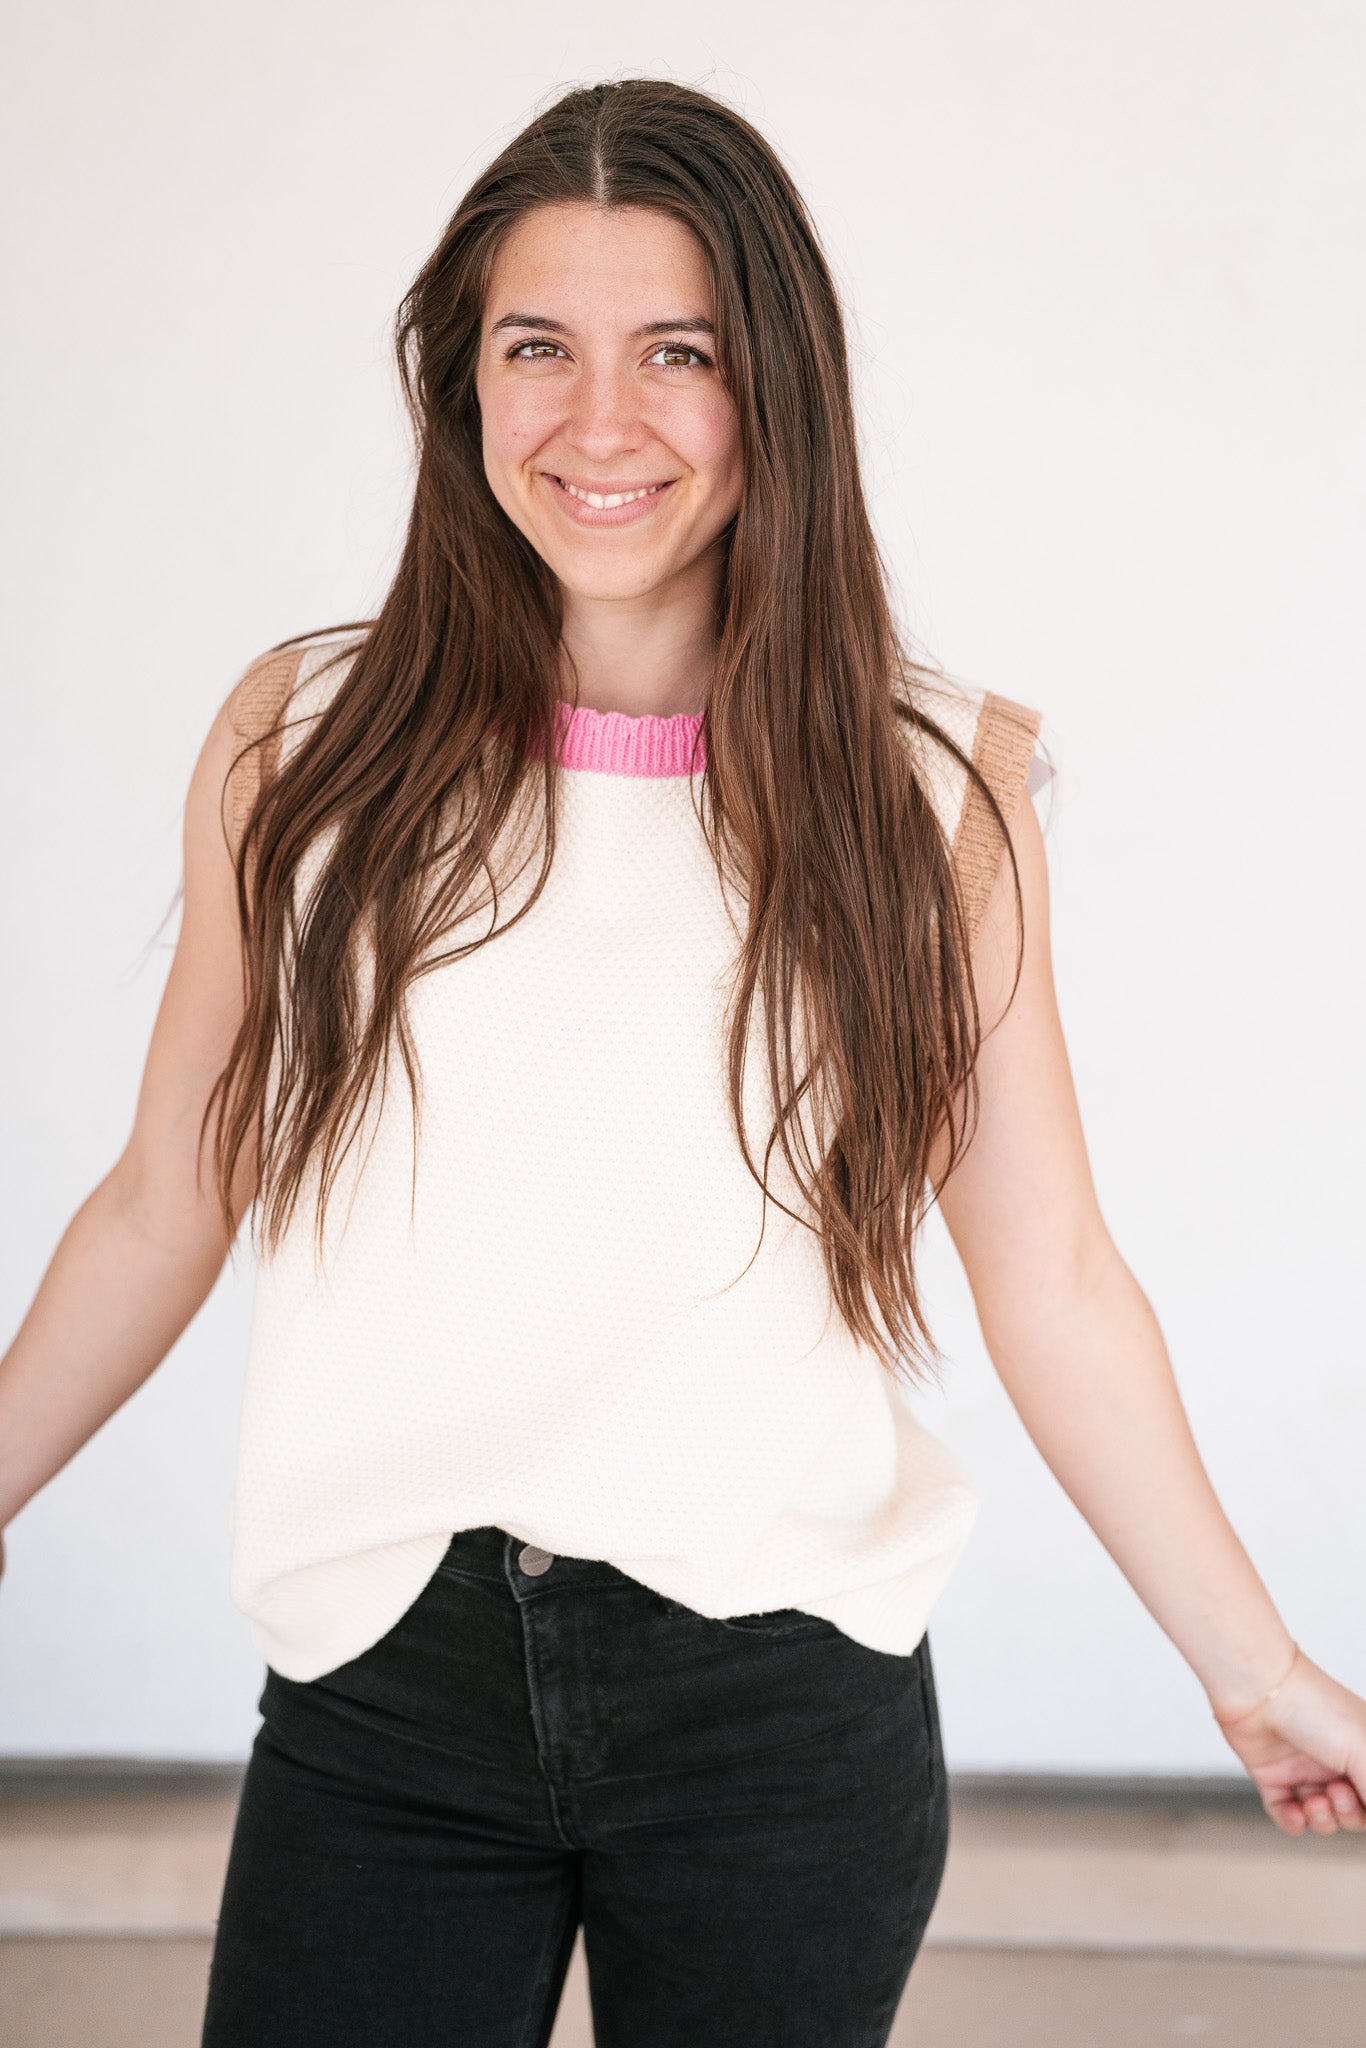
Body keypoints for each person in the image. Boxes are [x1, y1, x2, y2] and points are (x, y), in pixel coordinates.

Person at [1, 74, 1362, 2048]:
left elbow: (1049, 1274)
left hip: (778, 1711)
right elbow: (163, 1196)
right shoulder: (294, 745)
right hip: (389, 1684)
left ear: (771, 393)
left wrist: (1255, 1667)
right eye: (533, 347)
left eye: (677, 354)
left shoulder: (931, 787)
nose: (597, 420)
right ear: (458, 379)